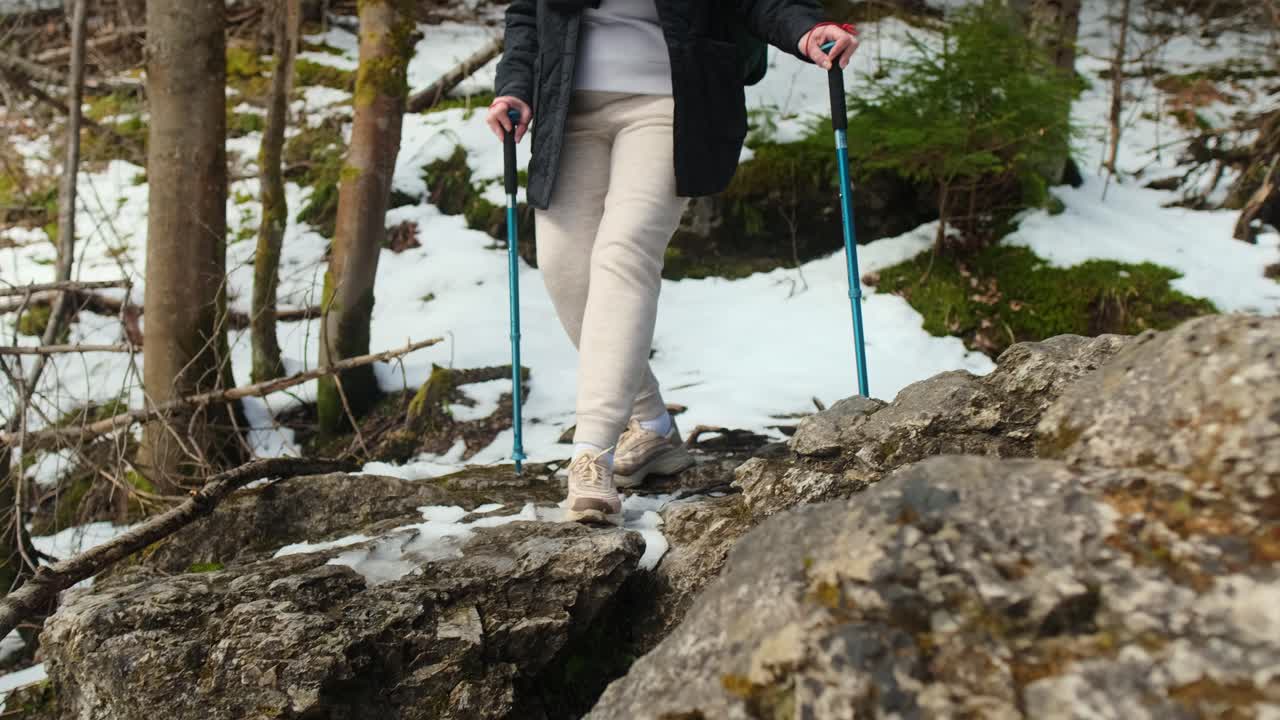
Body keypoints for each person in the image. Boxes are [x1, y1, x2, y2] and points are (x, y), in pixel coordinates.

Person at [488, 0, 859, 524]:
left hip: (671, 101)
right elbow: (528, 13)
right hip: (566, 103)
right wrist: (514, 85)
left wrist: (807, 29)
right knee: (565, 270)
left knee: (625, 252)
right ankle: (653, 425)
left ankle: (592, 454)